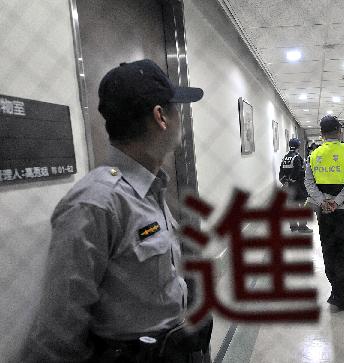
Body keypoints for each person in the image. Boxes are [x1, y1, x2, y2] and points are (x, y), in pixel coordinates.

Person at [22, 59, 212, 362]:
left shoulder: (151, 189)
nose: (182, 120)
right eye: (178, 110)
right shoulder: (97, 203)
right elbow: (59, 327)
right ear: (161, 116)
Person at [305, 115, 344, 311]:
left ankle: (336, 291)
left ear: (321, 134)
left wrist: (323, 201)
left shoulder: (313, 155)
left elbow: (309, 184)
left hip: (324, 213)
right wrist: (337, 202)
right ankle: (338, 294)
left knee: (329, 249)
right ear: (339, 131)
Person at [279, 138, 312, 233]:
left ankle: (293, 226)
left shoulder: (285, 157)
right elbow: (298, 170)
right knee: (302, 205)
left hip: (289, 187)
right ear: (298, 146)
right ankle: (302, 227)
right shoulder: (297, 157)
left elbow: (281, 172)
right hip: (299, 186)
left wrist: (285, 182)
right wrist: (292, 179)